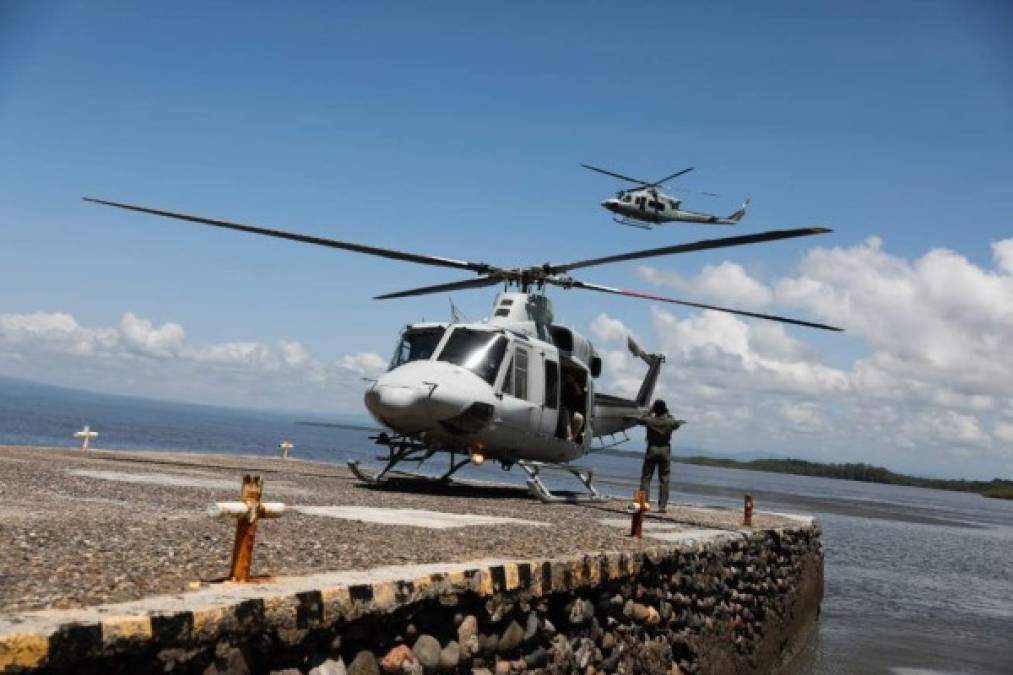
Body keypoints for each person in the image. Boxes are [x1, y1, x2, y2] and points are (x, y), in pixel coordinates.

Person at [629, 400, 684, 513]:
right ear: (664, 409)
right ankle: (662, 506)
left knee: (646, 477)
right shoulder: (670, 421)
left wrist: (649, 411)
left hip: (652, 448)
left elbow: (640, 419)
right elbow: (675, 422)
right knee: (664, 479)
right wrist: (668, 413)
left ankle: (643, 504)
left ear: (655, 409)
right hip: (665, 450)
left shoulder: (650, 420)